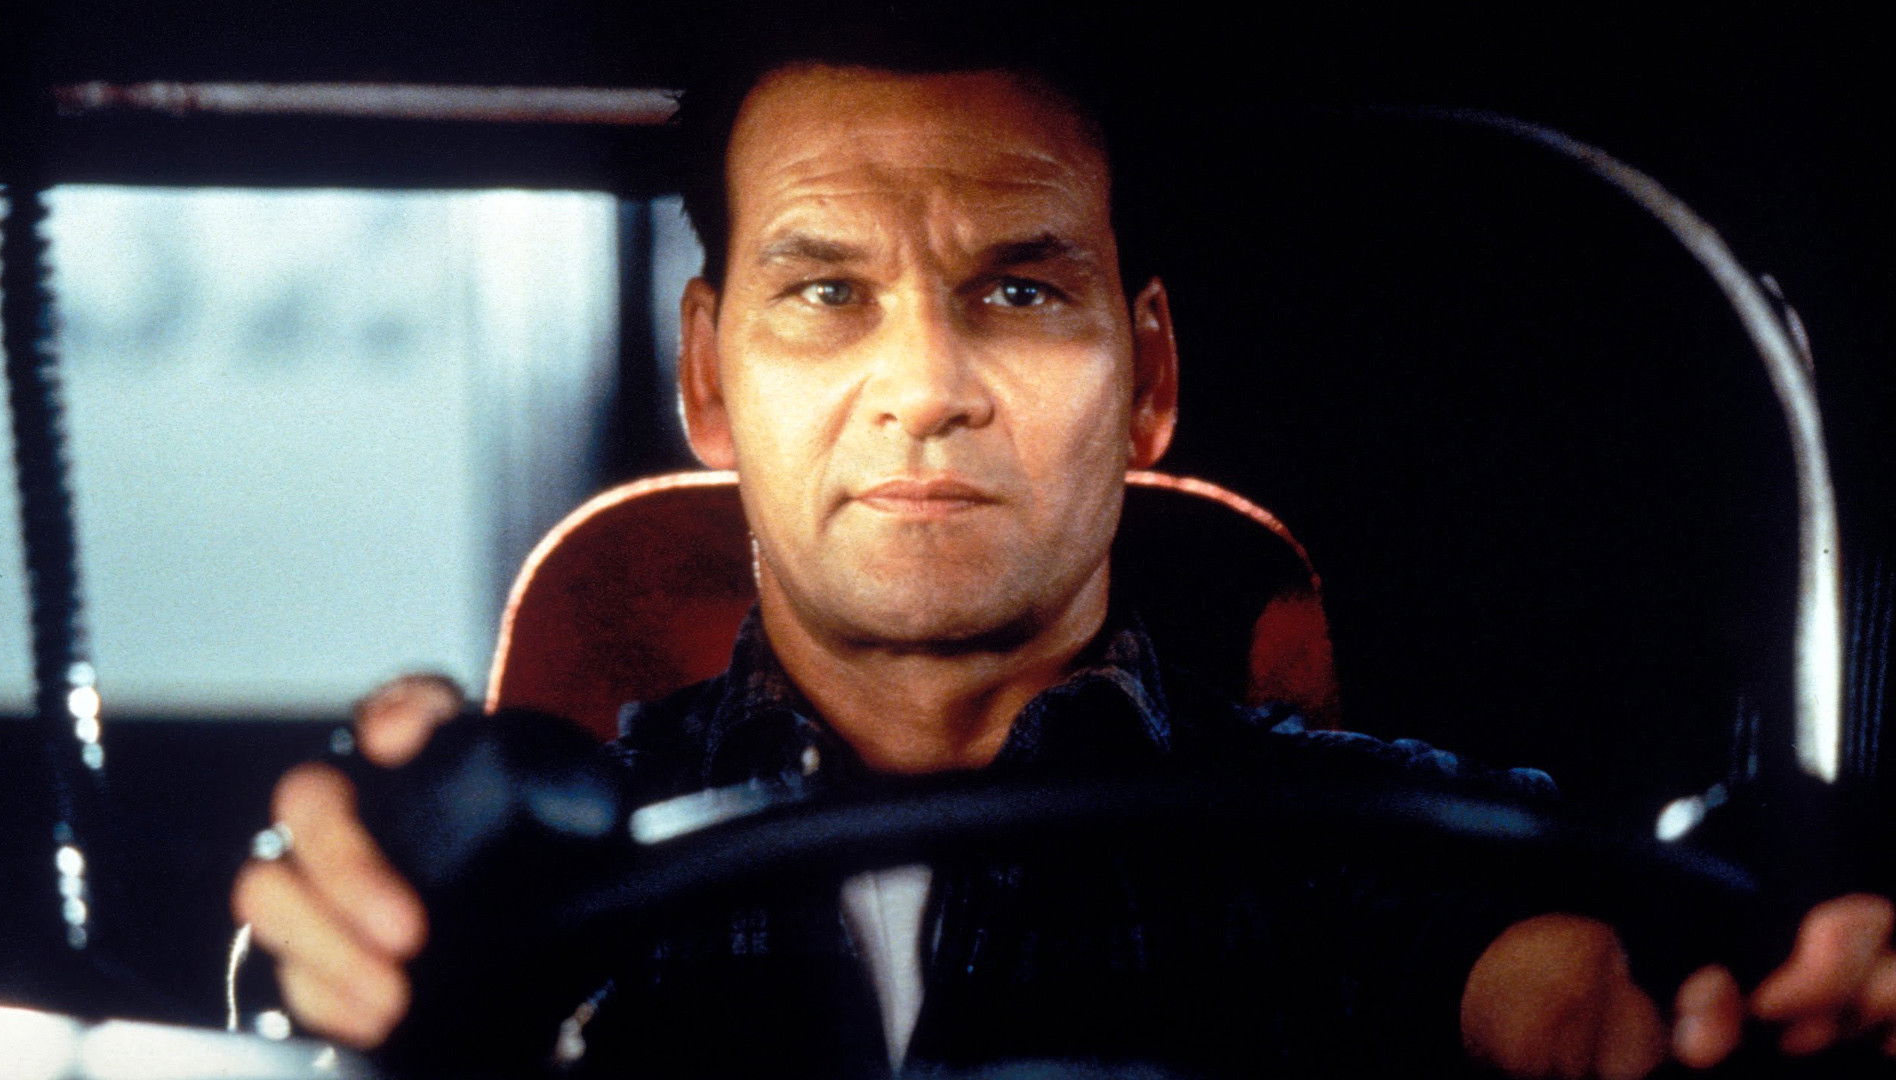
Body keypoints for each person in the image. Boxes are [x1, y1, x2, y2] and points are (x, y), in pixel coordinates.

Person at [232, 26, 1896, 1079]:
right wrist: (360, 949)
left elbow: (1573, 992)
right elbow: (344, 985)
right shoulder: (540, 886)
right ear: (709, 380)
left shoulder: (1369, 842)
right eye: (828, 293)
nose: (927, 388)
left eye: (1019, 290)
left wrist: (1745, 993)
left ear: (1149, 378)